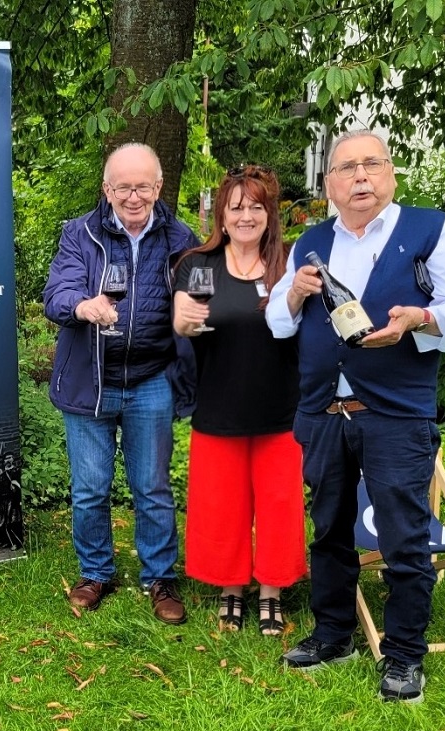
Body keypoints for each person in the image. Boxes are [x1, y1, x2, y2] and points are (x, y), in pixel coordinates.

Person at [267, 130, 445, 703]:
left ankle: (405, 655)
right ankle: (334, 635)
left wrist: (419, 319)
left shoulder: (430, 230)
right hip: (323, 412)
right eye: (346, 168)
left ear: (390, 172)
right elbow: (278, 323)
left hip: (394, 414)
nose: (360, 177)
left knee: (404, 535)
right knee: (330, 527)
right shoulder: (310, 243)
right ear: (329, 183)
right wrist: (293, 295)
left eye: (371, 165)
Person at [43, 142, 198, 622]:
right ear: (106, 189)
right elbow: (56, 294)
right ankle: (96, 572)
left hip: (152, 377)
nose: (134, 196)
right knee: (90, 488)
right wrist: (82, 306)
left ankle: (159, 577)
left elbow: (200, 299)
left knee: (152, 486)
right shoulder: (80, 233)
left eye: (143, 186)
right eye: (123, 186)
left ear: (159, 187)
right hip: (92, 380)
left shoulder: (180, 237)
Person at [172, 166, 306, 636]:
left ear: (269, 214)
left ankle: (271, 592)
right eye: (237, 207)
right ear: (221, 218)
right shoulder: (196, 265)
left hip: (281, 408)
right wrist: (183, 323)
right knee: (222, 506)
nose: (246, 215)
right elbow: (182, 321)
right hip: (218, 405)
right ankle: (231, 588)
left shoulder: (290, 264)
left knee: (279, 504)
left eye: (256, 206)